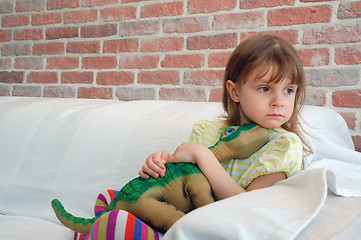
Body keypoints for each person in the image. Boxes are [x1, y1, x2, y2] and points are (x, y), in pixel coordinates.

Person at [76, 35, 312, 240]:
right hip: (185, 213)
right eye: (265, 88)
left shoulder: (284, 144)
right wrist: (160, 162)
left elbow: (246, 207)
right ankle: (106, 221)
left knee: (142, 226)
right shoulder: (207, 130)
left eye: (289, 90)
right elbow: (184, 178)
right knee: (130, 200)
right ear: (235, 91)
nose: (279, 101)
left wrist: (203, 156)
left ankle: (110, 228)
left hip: (223, 228)